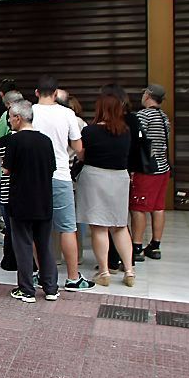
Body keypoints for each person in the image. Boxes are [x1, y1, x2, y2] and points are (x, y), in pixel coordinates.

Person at [32, 75, 94, 291]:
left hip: (34, 178)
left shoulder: (29, 112)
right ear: (56, 93)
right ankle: (73, 277)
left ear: (37, 92)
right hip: (60, 175)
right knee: (67, 228)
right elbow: (78, 148)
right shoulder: (67, 114)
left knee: (37, 228)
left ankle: (41, 274)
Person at [1, 101, 60, 302]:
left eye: (10, 117)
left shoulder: (14, 141)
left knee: (23, 244)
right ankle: (51, 287)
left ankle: (26, 289)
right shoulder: (46, 140)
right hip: (44, 200)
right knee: (45, 244)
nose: (9, 121)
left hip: (21, 200)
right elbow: (52, 168)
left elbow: (7, 169)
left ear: (18, 118)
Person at [76, 94, 136, 287]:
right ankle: (129, 270)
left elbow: (82, 155)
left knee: (99, 227)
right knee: (120, 226)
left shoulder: (90, 131)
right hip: (120, 178)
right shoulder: (125, 131)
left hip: (95, 177)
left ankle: (104, 272)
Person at [130, 84, 171, 262]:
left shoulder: (143, 116)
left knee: (138, 207)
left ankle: (137, 247)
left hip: (147, 169)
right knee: (158, 207)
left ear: (148, 95)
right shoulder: (164, 117)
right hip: (163, 168)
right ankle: (155, 246)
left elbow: (137, 141)